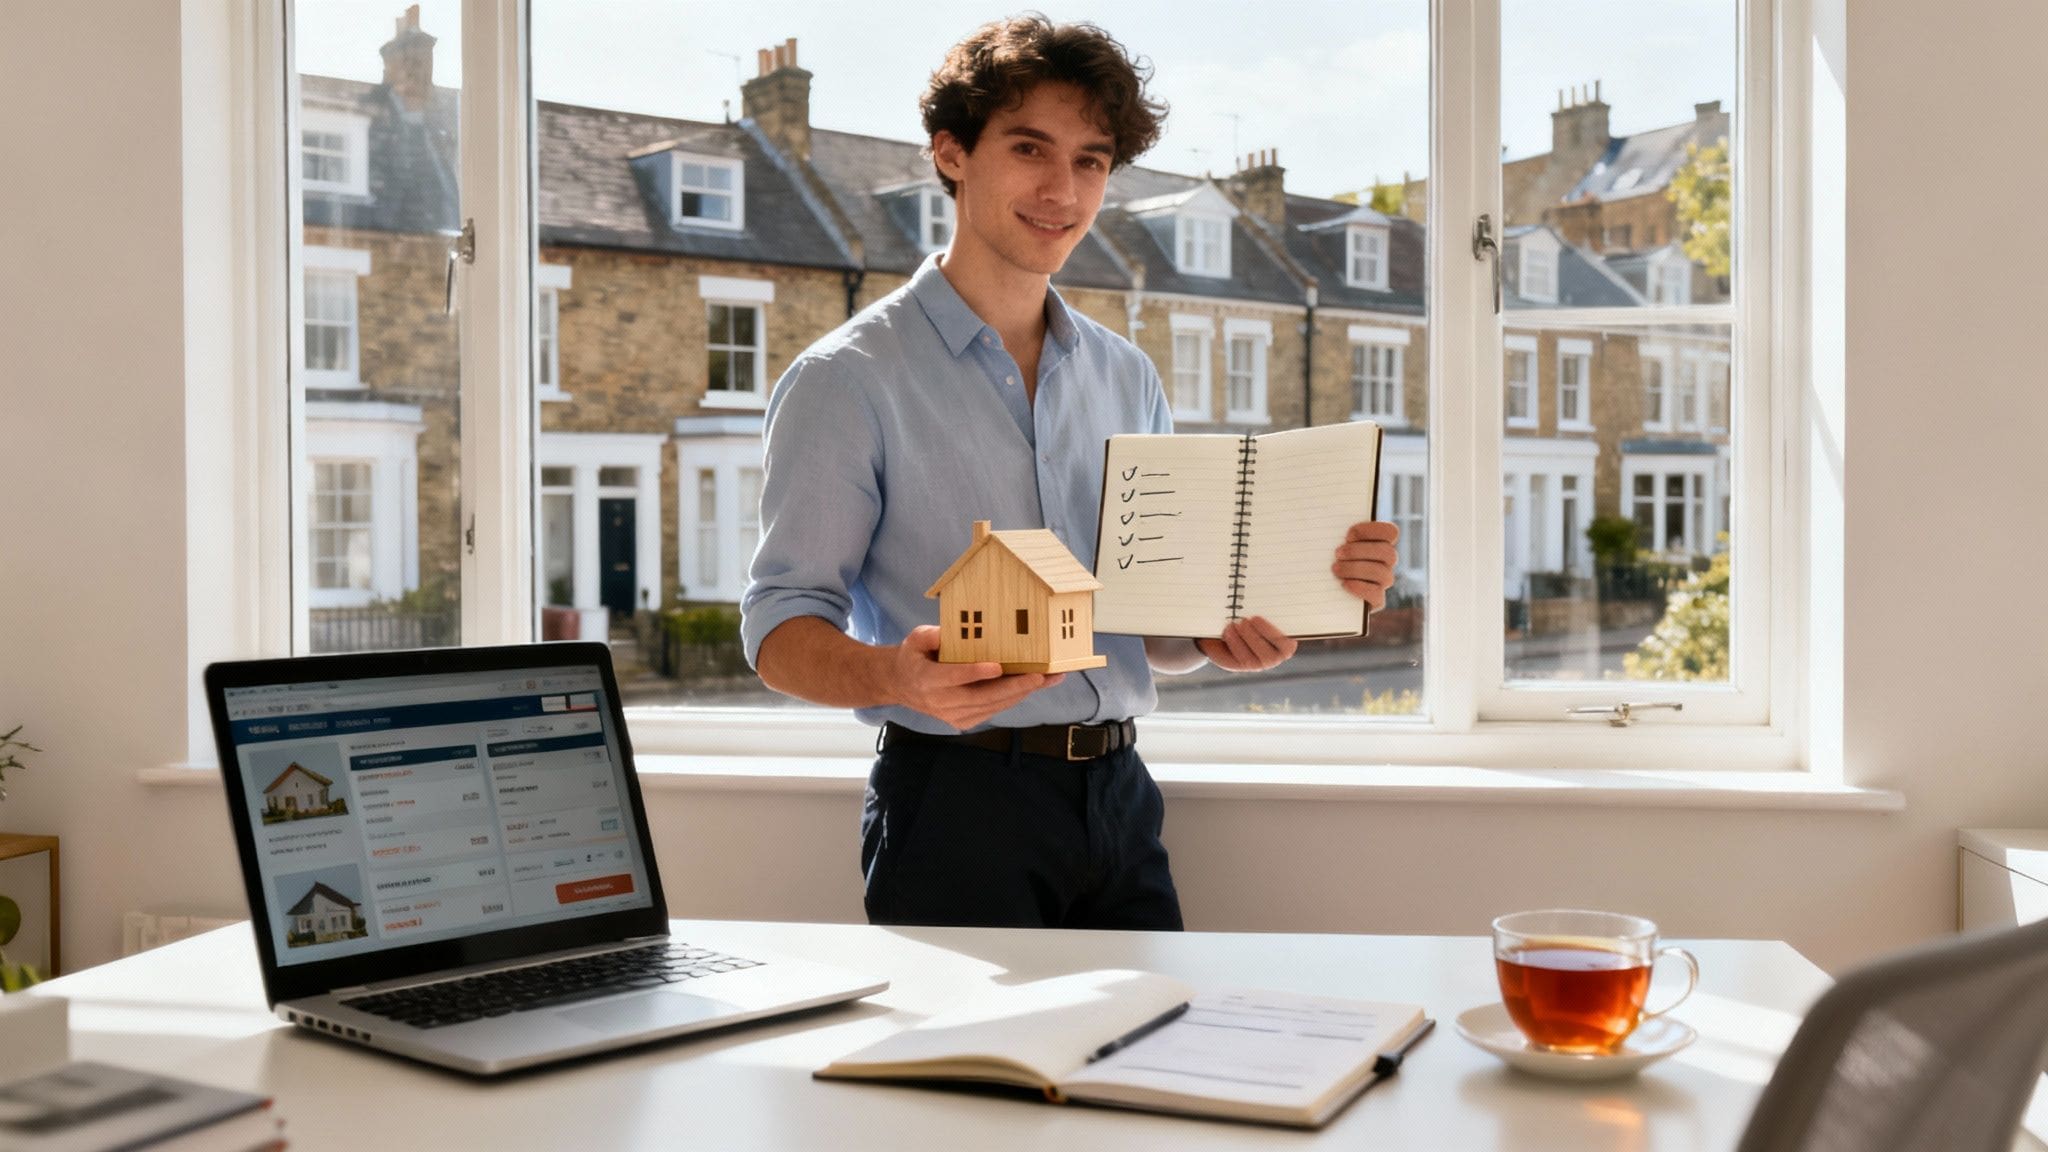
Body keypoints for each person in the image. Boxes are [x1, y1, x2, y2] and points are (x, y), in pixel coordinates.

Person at [741, 15, 1400, 931]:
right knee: (974, 1079)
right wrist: (899, 673)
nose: (1063, 190)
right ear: (952, 153)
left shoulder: (1127, 376)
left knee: (1150, 1067)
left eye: (1091, 160)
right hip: (954, 808)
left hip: (1123, 799)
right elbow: (777, 629)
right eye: (1029, 148)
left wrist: (1222, 634)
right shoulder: (845, 380)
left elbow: (1151, 630)